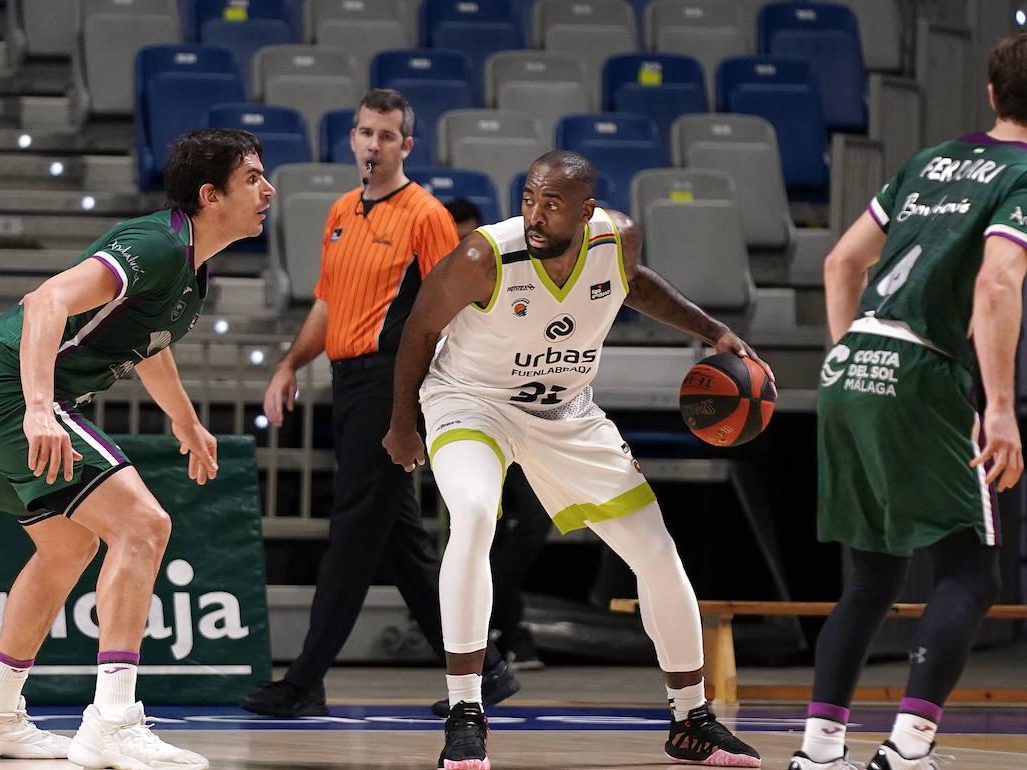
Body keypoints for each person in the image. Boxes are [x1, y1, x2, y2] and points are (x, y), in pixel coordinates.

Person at [384, 150, 768, 769]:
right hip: (470, 402)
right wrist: (403, 424)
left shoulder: (617, 239)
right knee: (476, 517)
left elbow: (635, 284)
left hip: (566, 412)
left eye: (551, 204)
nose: (535, 215)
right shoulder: (484, 256)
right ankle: (465, 712)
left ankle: (692, 720)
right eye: (529, 199)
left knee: (656, 551)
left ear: (586, 211)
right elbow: (419, 330)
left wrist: (712, 330)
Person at [0, 128, 274, 768]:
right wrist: (40, 409)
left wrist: (185, 420)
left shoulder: (188, 261)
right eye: (253, 178)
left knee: (68, 545)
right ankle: (114, 721)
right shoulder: (154, 243)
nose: (268, 189)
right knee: (144, 525)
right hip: (6, 391)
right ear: (210, 195)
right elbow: (47, 301)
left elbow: (149, 343)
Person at [788, 32, 1027, 770]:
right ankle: (909, 746)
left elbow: (840, 262)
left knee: (874, 576)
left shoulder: (929, 160)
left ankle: (819, 750)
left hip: (852, 360)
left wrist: (849, 358)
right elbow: (996, 285)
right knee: (970, 571)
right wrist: (999, 406)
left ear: (990, 94)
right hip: (923, 371)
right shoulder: (1023, 175)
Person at [240, 89, 518, 719]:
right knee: (397, 540)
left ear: (406, 145)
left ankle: (305, 679)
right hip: (346, 381)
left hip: (394, 383)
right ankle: (489, 668)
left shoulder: (425, 215)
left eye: (387, 136)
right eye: (366, 133)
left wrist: (430, 396)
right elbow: (327, 305)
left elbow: (451, 311)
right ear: (353, 138)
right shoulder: (340, 211)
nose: (374, 144)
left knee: (352, 531)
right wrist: (288, 364)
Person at [445, 196, 552, 671]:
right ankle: (503, 633)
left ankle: (502, 620)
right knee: (474, 521)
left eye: (471, 232)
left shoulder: (508, 268)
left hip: (522, 408)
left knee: (532, 520)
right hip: (464, 411)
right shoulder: (445, 274)